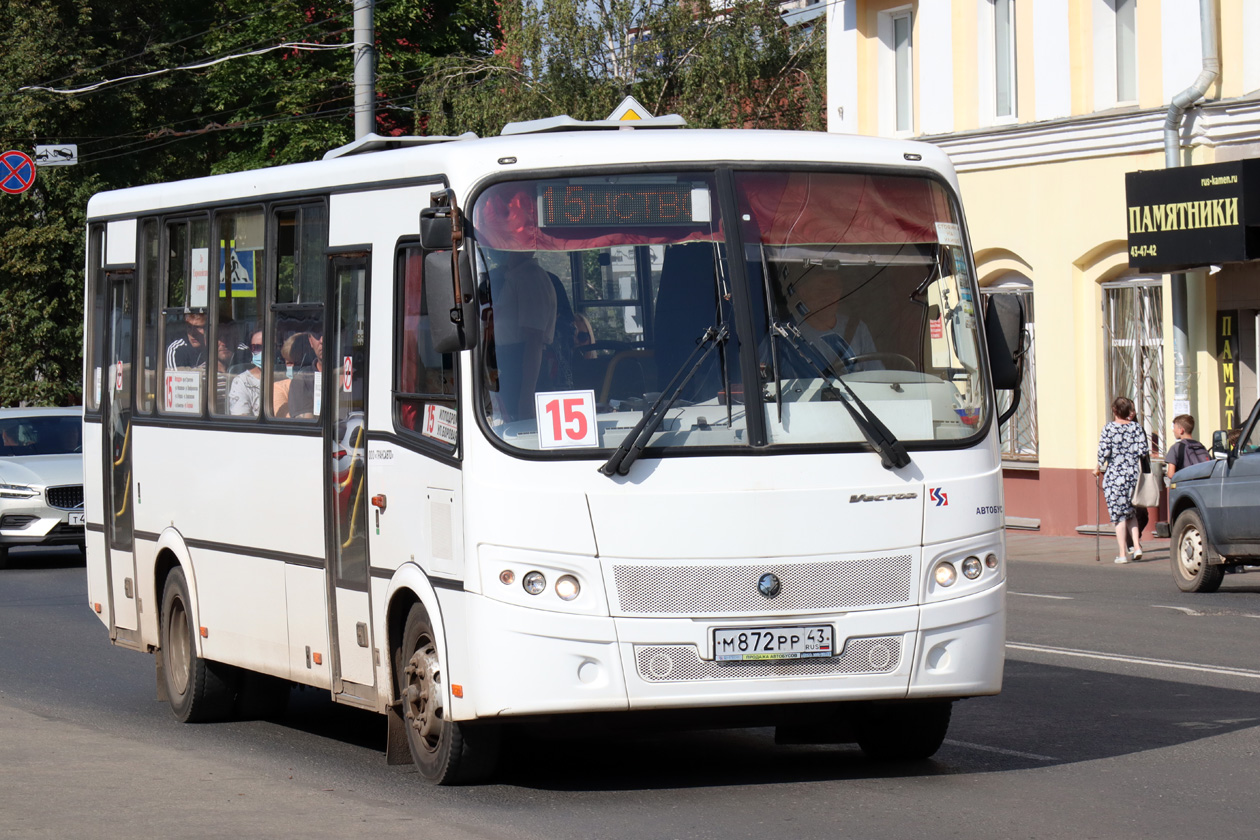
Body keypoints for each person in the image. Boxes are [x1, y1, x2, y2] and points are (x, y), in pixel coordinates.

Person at [488, 250, 556, 420]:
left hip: (520, 365)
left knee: (519, 427)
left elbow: (534, 340)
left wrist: (526, 397)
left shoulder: (529, 277)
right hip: (507, 363)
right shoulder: (514, 276)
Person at [1094, 396, 1149, 564]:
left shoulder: (1109, 428)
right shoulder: (1137, 428)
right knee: (1131, 513)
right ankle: (1137, 547)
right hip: (1132, 475)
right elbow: (1143, 451)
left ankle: (1122, 553)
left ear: (1115, 411)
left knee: (1119, 516)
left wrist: (1097, 468)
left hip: (1115, 477)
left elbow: (1103, 452)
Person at [229, 330, 264, 417]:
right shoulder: (242, 381)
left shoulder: (287, 378)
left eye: (270, 346)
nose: (264, 351)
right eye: (256, 347)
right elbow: (241, 421)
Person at [1165, 414, 1210, 479]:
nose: (1173, 430)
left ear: (1181, 430)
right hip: (1201, 485)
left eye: (1174, 428)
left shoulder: (1176, 447)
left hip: (1184, 486)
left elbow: (1170, 474)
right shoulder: (1201, 446)